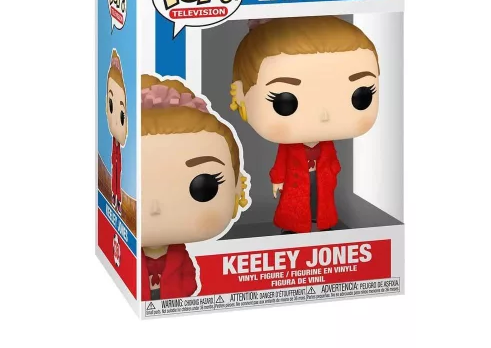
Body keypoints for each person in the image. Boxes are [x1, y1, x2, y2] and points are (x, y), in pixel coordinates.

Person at [230, 16, 380, 234]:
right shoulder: (289, 144)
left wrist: (332, 170)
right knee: (296, 204)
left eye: (361, 95)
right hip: (295, 179)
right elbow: (281, 161)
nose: (324, 116)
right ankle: (295, 228)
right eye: (284, 101)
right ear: (240, 95)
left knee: (320, 201)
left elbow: (332, 157)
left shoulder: (325, 141)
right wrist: (278, 179)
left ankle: (320, 223)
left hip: (321, 176)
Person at [141, 75, 249, 300]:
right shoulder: (125, 252)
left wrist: (186, 295)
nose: (156, 208)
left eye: (204, 187)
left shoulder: (179, 255)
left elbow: (189, 277)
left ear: (237, 187)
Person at [106, 49, 128, 215]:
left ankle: (117, 197)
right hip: (115, 143)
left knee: (117, 168)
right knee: (115, 167)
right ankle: (115, 195)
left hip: (118, 145)